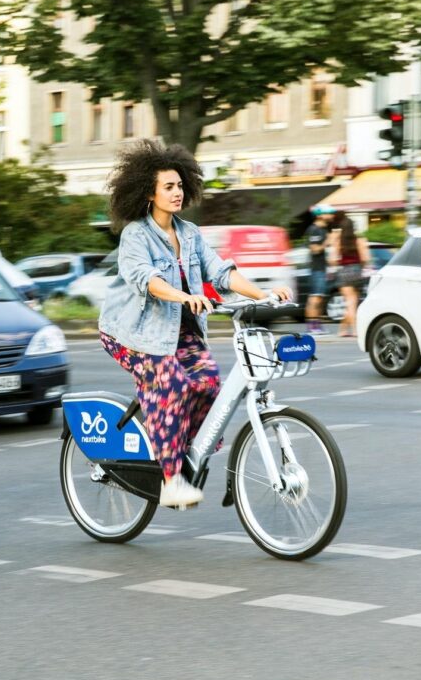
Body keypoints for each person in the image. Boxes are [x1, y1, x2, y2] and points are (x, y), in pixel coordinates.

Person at [98, 139, 293, 509]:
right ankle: (171, 480)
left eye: (179, 185)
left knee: (207, 381)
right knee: (169, 382)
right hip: (132, 333)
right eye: (168, 186)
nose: (177, 192)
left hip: (177, 331)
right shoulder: (135, 235)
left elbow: (220, 273)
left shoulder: (188, 233)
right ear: (148, 192)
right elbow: (146, 278)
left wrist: (263, 294)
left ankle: (175, 443)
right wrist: (183, 295)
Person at [329, 210, 370, 338]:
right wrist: (360, 267)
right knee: (353, 301)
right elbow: (365, 258)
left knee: (350, 302)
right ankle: (342, 330)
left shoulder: (338, 241)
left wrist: (338, 266)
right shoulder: (359, 240)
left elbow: (332, 259)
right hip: (357, 271)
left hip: (344, 271)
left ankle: (355, 330)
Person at [304, 204, 335, 335]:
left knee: (321, 298)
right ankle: (311, 326)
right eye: (329, 213)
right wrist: (327, 242)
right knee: (315, 298)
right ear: (320, 215)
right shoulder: (314, 229)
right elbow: (314, 249)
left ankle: (317, 325)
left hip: (323, 269)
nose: (332, 215)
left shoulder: (323, 230)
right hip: (316, 269)